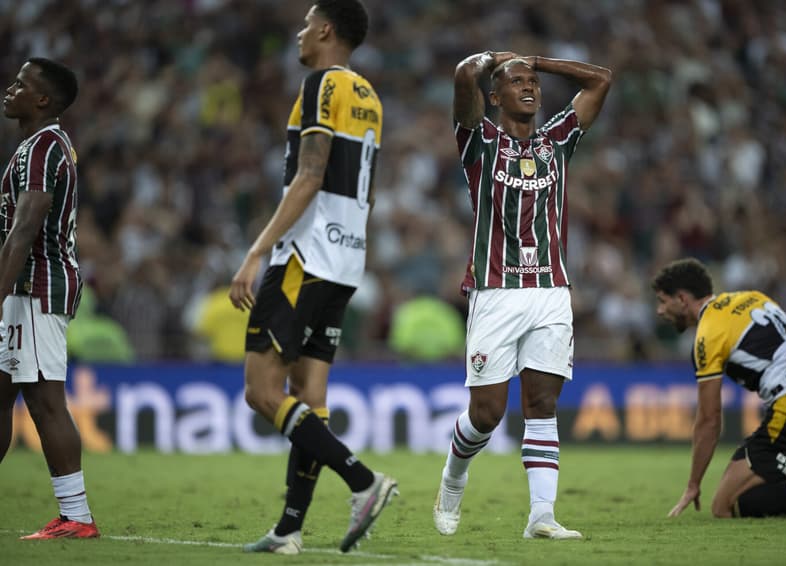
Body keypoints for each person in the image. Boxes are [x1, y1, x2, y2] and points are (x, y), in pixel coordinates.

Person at [228, 0, 396, 555]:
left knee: (261, 391)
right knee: (310, 396)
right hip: (347, 258)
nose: (299, 34)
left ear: (325, 30)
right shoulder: (369, 95)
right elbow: (365, 191)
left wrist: (257, 251)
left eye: (305, 24)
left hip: (306, 257)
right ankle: (289, 529)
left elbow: (310, 173)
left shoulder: (324, 83)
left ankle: (364, 481)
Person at [433, 51, 611, 539]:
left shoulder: (558, 139)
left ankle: (541, 516)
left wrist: (537, 61)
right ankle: (453, 477)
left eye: (533, 81)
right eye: (517, 81)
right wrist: (492, 60)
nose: (529, 86)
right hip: (496, 292)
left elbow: (601, 79)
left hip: (551, 290)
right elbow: (462, 74)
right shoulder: (479, 140)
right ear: (495, 97)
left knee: (542, 403)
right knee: (487, 413)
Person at [652, 258, 786, 518]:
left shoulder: (707, 334)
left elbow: (709, 420)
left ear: (681, 299)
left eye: (662, 301)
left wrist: (693, 484)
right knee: (781, 499)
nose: (659, 310)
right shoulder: (752, 298)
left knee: (724, 506)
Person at [0, 57, 99, 539]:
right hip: (23, 288)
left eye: (21, 84)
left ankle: (77, 515)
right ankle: (75, 514)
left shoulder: (42, 147)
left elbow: (24, 230)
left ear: (42, 100)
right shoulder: (35, 146)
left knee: (45, 400)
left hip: (37, 286)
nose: (10, 89)